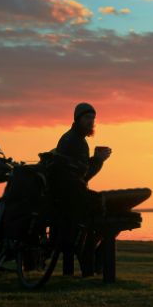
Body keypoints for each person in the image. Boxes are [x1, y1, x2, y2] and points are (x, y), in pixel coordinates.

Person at [51, 102, 111, 276]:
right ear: (77, 119)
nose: (91, 122)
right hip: (71, 197)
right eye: (87, 118)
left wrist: (94, 160)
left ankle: (87, 266)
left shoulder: (71, 138)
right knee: (108, 217)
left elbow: (80, 171)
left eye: (93, 118)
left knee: (89, 228)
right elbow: (83, 176)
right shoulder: (76, 141)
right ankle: (93, 266)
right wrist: (98, 160)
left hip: (66, 196)